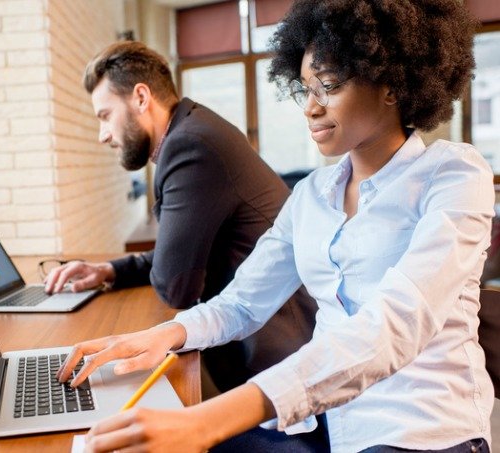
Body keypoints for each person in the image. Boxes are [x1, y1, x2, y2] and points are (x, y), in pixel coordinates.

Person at [55, 0, 495, 451]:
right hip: (329, 423)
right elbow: (243, 303)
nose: (310, 108)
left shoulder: (454, 175)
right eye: (304, 89)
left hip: (424, 431)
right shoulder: (311, 195)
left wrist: (207, 421)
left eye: (327, 86)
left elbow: (391, 328)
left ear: (392, 84)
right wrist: (159, 336)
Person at [44, 41, 317, 392]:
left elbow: (175, 286)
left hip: (273, 355)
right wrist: (109, 270)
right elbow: (176, 260)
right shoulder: (193, 128)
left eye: (105, 116)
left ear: (141, 98)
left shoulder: (189, 146)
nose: (103, 135)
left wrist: (159, 262)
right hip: (257, 333)